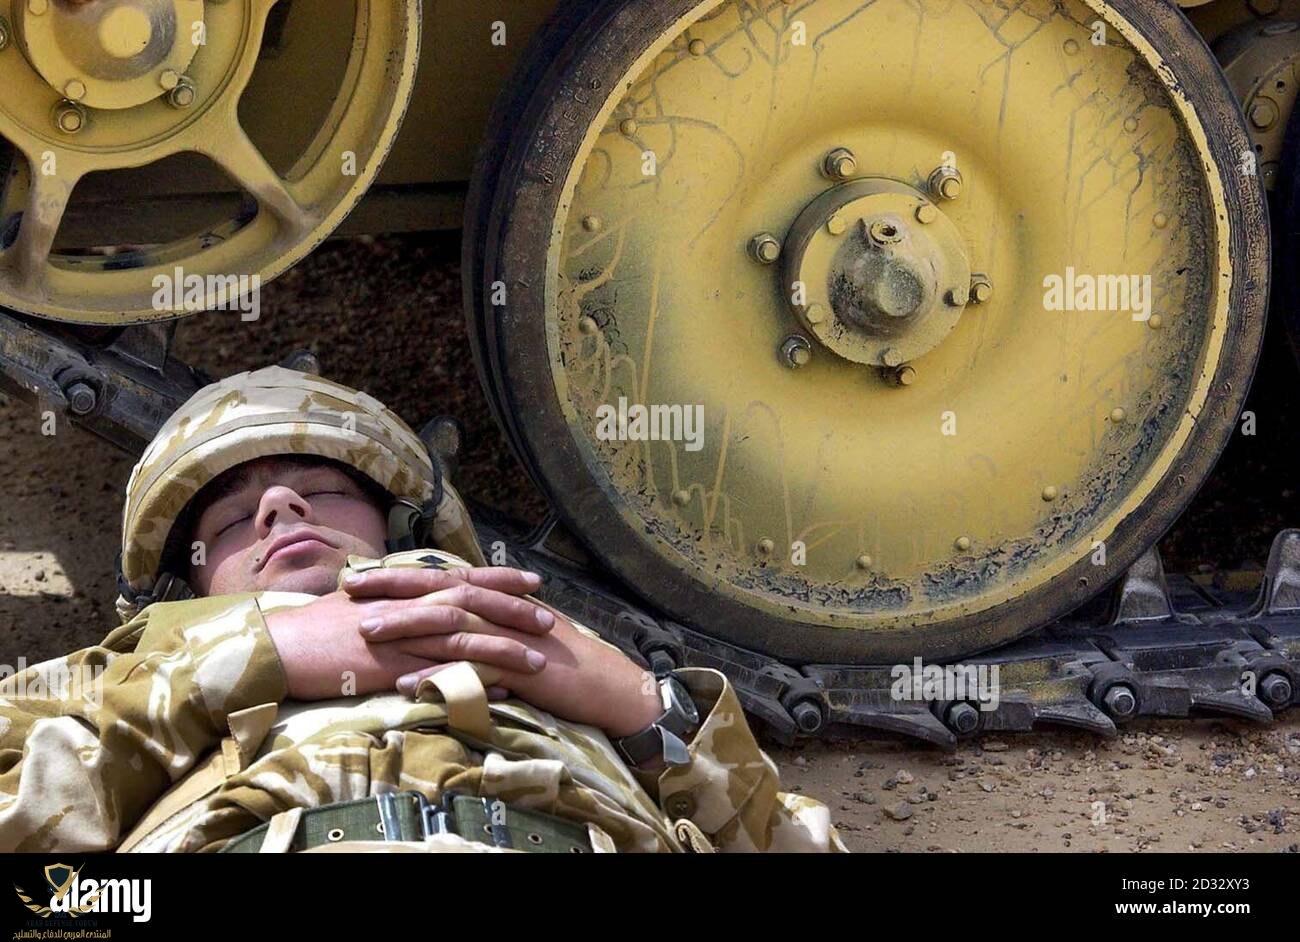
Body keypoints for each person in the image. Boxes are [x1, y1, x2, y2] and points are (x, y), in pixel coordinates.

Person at [0, 366, 845, 853]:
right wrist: (254, 658)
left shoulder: (534, 635)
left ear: (404, 531)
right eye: (228, 520)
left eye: (326, 490)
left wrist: (651, 719)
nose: (282, 510)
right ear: (184, 589)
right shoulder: (109, 679)